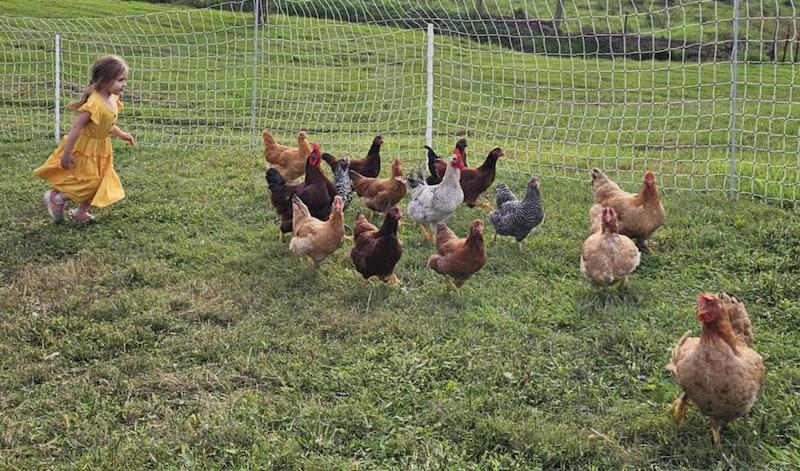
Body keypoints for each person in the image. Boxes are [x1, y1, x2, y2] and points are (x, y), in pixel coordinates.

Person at [34, 55, 135, 223]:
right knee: (89, 182)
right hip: (85, 147)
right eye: (120, 79)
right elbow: (76, 128)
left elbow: (106, 123)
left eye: (125, 79)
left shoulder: (112, 98)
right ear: (104, 80)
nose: (124, 84)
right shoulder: (94, 103)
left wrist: (122, 134)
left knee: (101, 180)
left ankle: (81, 212)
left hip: (102, 147)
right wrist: (67, 153)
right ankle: (57, 198)